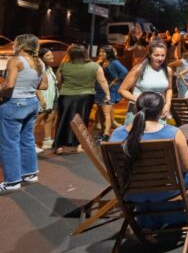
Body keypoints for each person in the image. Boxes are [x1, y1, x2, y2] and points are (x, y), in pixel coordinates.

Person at [109, 91, 188, 228]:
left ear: (136, 108)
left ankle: (148, 220)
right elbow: (187, 167)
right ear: (161, 111)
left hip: (132, 192)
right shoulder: (173, 133)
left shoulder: (117, 134)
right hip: (167, 191)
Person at [0, 35, 47, 193]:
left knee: (9, 143)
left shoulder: (16, 60)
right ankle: (30, 173)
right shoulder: (39, 62)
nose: (13, 45)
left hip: (14, 104)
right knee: (27, 139)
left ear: (20, 45)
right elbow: (44, 85)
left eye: (15, 43)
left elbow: (9, 85)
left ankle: (12, 181)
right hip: (31, 103)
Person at [53, 44, 110, 154]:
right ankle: (79, 145)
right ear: (85, 53)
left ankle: (59, 146)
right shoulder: (94, 66)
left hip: (66, 96)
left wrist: (63, 90)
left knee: (63, 120)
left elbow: (59, 81)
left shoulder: (64, 66)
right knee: (82, 121)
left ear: (70, 54)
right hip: (86, 96)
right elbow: (102, 81)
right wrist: (107, 94)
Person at [119, 38, 174, 126]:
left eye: (162, 55)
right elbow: (122, 90)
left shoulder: (168, 70)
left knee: (157, 138)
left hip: (158, 113)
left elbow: (169, 89)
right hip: (139, 112)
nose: (160, 58)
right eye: (156, 55)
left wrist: (168, 104)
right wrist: (139, 100)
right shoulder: (138, 69)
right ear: (149, 54)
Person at [94, 45, 128, 141]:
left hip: (109, 90)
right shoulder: (101, 62)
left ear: (108, 53)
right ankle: (102, 132)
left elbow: (124, 71)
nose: (100, 54)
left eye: (103, 52)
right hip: (100, 89)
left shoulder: (114, 62)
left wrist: (115, 81)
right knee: (100, 111)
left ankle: (106, 134)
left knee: (106, 112)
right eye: (100, 52)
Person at [34, 48, 58, 152]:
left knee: (49, 119)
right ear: (41, 57)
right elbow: (35, 85)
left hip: (51, 98)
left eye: (51, 54)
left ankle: (47, 141)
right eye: (48, 55)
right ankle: (30, 145)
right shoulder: (38, 68)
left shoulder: (49, 68)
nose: (51, 56)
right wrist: (41, 99)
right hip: (43, 99)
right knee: (36, 122)